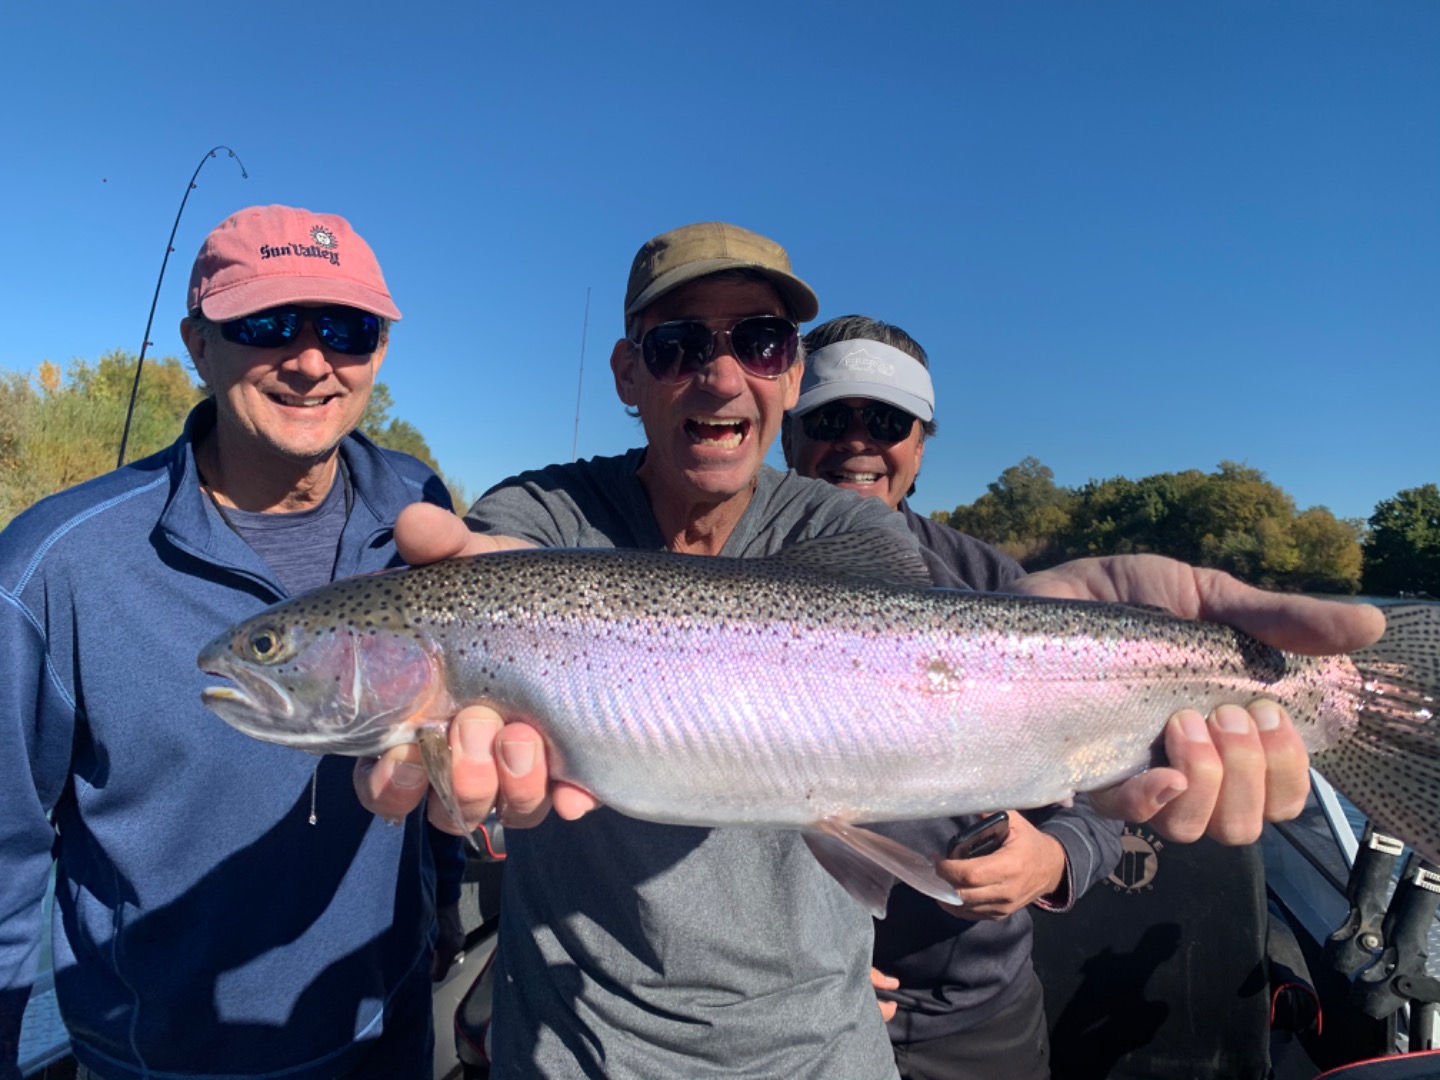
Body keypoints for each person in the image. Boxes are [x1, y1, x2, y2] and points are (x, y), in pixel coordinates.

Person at [362, 222, 1388, 1079]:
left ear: (788, 371)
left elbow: (928, 687)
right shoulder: (543, 513)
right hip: (579, 1048)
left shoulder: (840, 530)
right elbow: (500, 553)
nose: (720, 375)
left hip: (826, 1050)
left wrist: (1099, 724)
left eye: (759, 341)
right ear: (628, 372)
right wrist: (484, 596)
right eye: (678, 344)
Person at [0, 204, 464, 1080]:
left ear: (380, 353)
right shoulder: (51, 567)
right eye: (266, 323)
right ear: (197, 343)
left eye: (348, 328)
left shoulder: (421, 511)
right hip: (161, 1060)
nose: (311, 359)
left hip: (388, 1029)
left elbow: (444, 719)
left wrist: (440, 891)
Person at [781, 315, 1122, 1079]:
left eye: (889, 421)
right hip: (775, 1012)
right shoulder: (715, 581)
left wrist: (1052, 860)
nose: (859, 441)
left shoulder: (1004, 589)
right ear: (789, 435)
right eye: (832, 417)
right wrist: (789, 975)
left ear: (922, 444)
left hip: (974, 1016)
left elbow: (1105, 797)